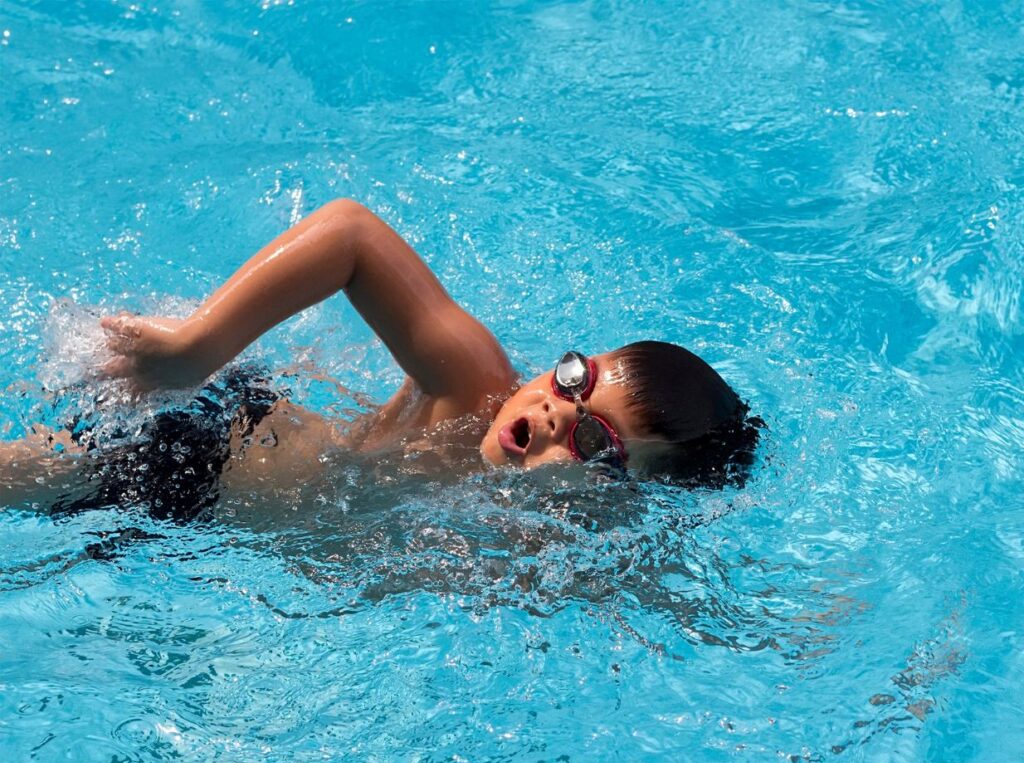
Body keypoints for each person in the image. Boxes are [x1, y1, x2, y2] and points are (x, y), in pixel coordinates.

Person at [0, 199, 758, 518]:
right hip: (200, 452)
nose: (559, 410)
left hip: (206, 534)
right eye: (574, 379)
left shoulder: (565, 555)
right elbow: (352, 235)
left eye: (595, 440)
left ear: (625, 499)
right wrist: (191, 350)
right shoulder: (475, 388)